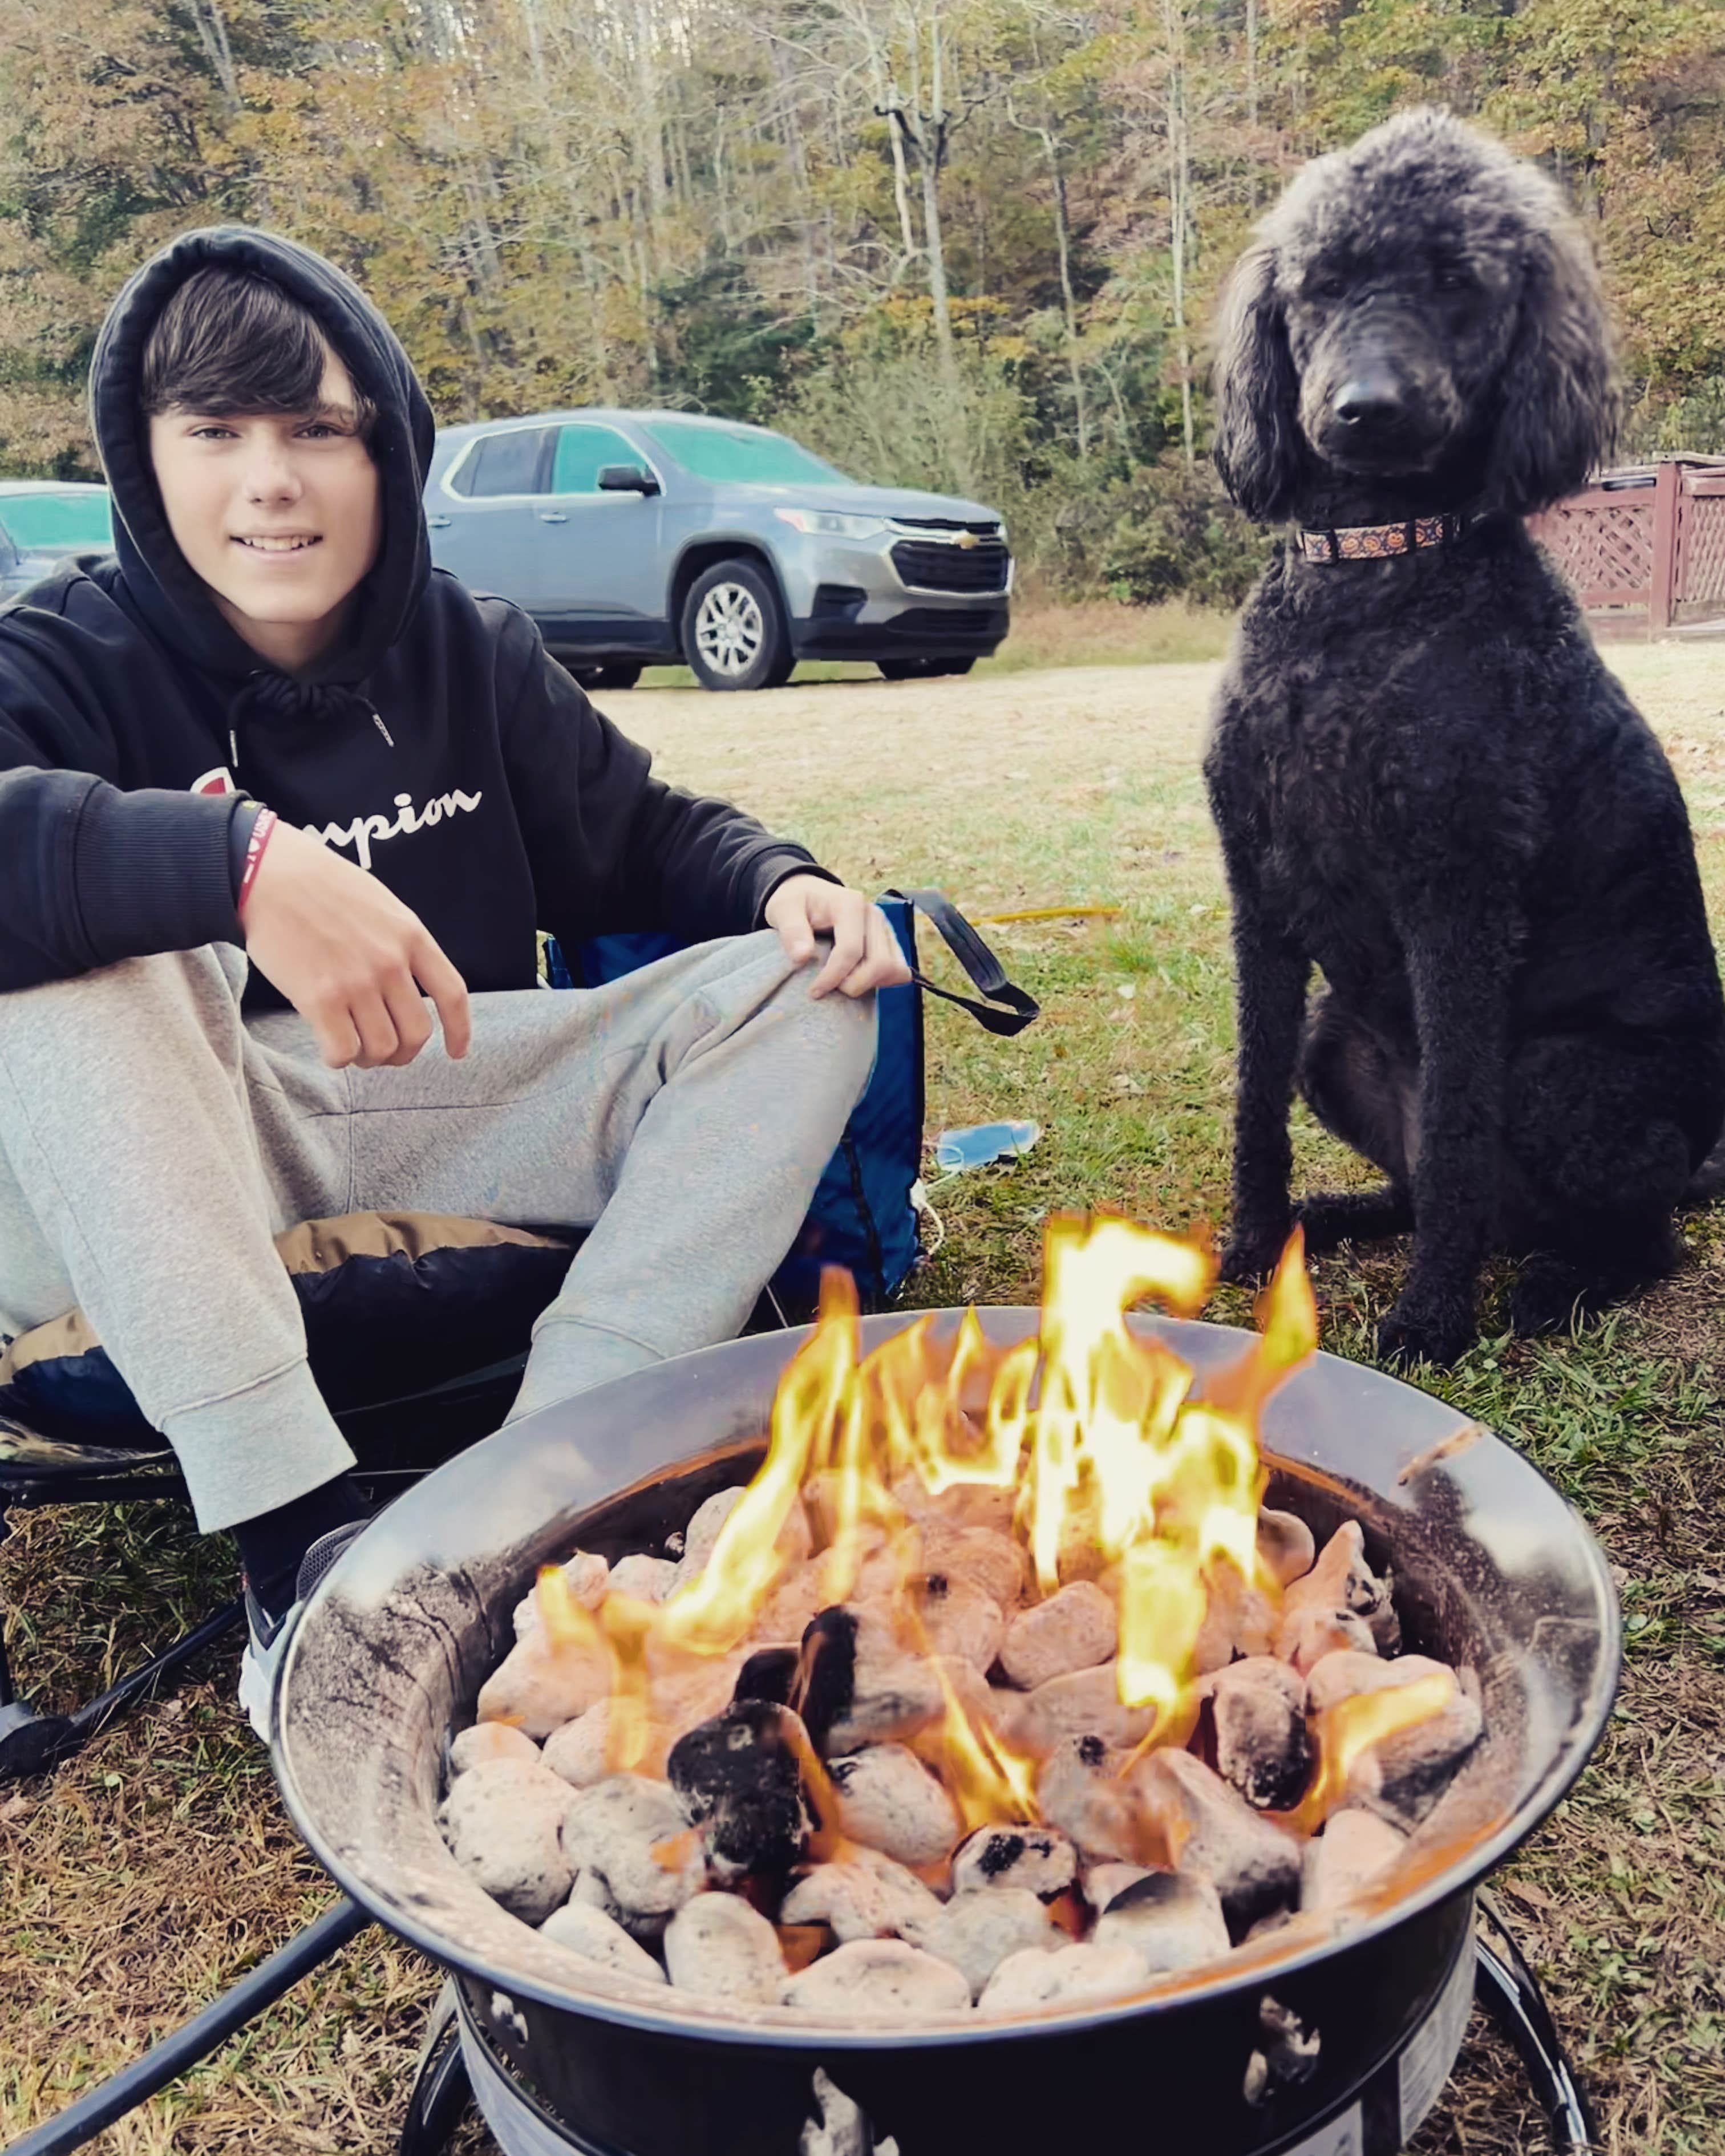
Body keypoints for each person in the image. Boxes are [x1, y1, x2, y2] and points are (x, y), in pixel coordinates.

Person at [0, 227, 906, 1732]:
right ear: (142, 458)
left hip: (440, 1105)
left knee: (808, 986)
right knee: (64, 933)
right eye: (215, 433)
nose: (269, 480)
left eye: (317, 431)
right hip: (156, 1164)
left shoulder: (468, 650)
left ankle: (540, 1502)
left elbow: (643, 834)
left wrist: (781, 879)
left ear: (391, 454)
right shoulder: (60, 656)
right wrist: (235, 865)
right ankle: (301, 1556)